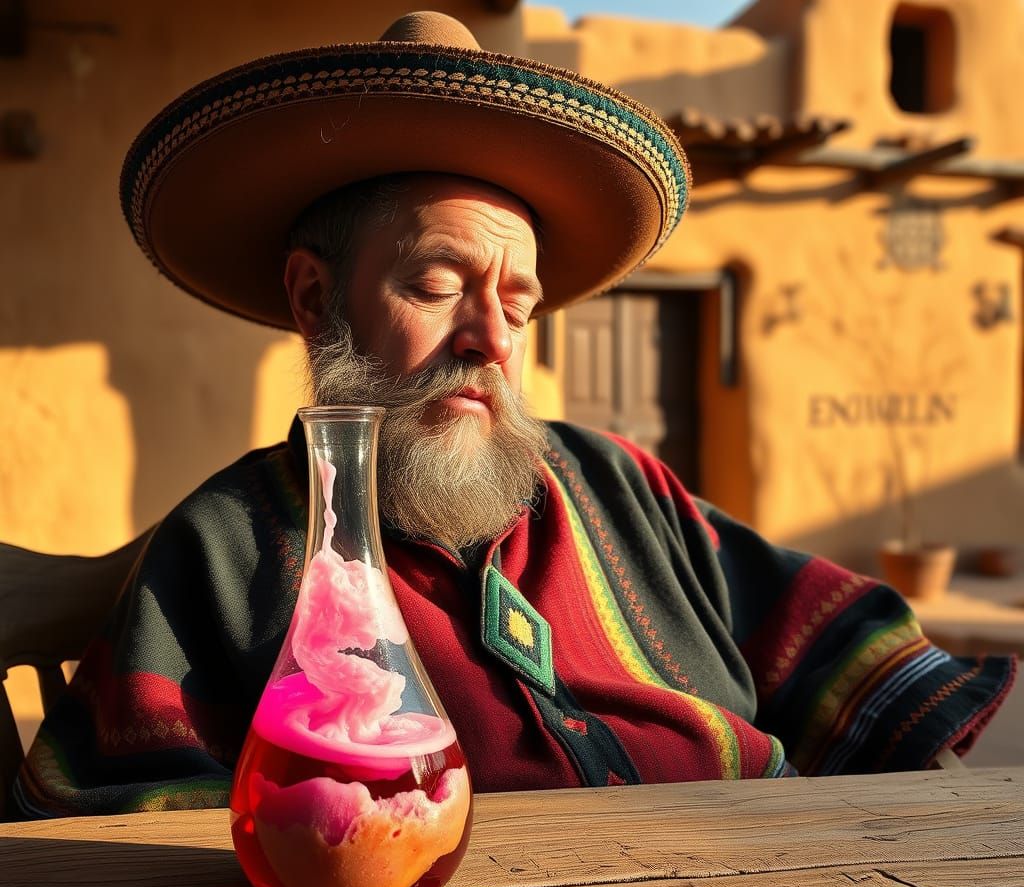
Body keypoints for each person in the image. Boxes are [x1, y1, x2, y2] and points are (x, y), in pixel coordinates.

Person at [15, 12, 1014, 817]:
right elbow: (128, 828)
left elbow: (862, 669)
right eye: (439, 284)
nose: (489, 338)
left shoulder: (622, 484)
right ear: (315, 299)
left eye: (519, 303)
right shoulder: (231, 545)